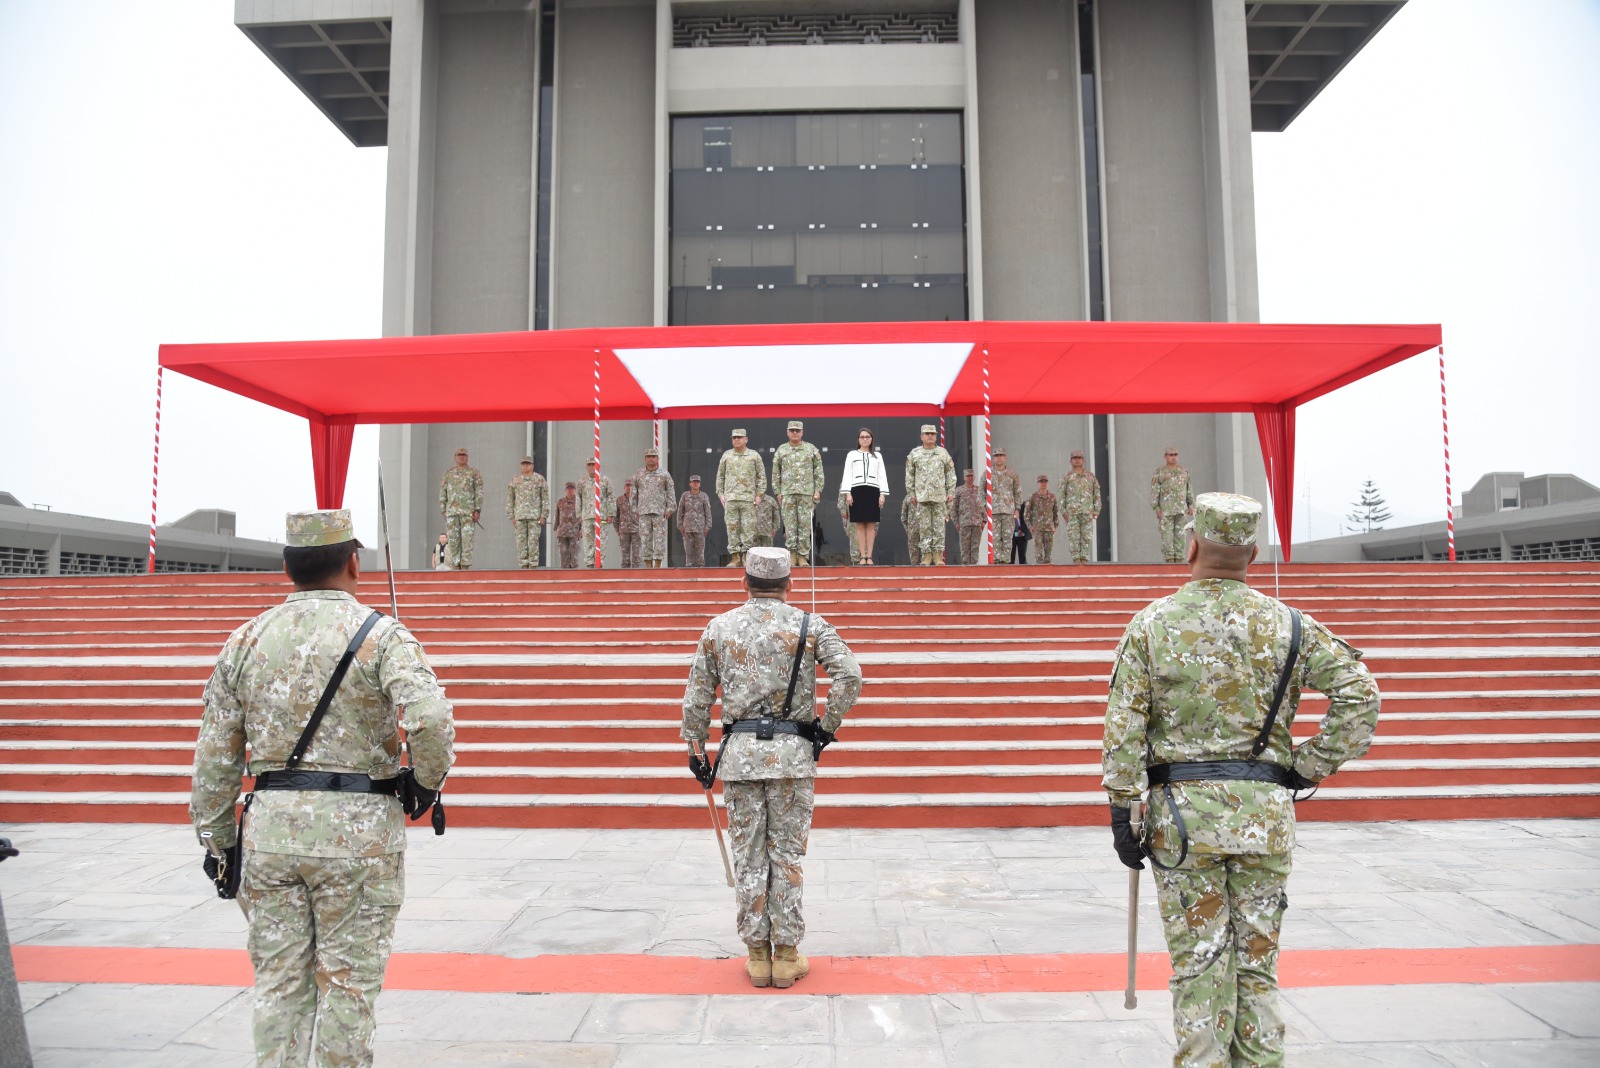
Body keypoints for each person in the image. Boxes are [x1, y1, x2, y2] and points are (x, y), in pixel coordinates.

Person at [1103, 492, 1380, 1068]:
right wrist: (1306, 765)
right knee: (1257, 963)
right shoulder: (1290, 625)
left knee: (1200, 965)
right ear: (1253, 551)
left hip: (1183, 823)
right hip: (1264, 817)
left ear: (1192, 546)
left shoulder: (1152, 625)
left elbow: (1124, 726)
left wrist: (1124, 809)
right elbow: (1361, 695)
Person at [190, 509, 455, 1066]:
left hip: (269, 834)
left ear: (288, 567)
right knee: (348, 990)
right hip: (358, 841)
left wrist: (219, 844)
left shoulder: (245, 639)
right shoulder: (382, 635)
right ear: (354, 562)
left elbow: (214, 757)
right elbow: (429, 719)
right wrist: (424, 784)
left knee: (280, 987)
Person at [680, 547, 863, 989]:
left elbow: (697, 696)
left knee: (749, 855)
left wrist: (695, 750)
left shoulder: (719, 627)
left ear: (744, 582)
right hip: (792, 756)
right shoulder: (808, 624)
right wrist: (826, 727)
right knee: (787, 856)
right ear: (788, 584)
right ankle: (786, 955)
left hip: (740, 756)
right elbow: (850, 675)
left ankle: (757, 955)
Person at [772, 420, 825, 567]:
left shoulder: (811, 449)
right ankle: (792, 555)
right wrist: (778, 492)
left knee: (804, 526)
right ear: (787, 432)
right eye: (792, 430)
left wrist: (817, 490)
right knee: (789, 526)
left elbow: (818, 471)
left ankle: (802, 556)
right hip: (788, 493)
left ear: (802, 432)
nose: (794, 433)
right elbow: (776, 472)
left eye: (797, 430)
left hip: (806, 493)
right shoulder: (781, 450)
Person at [904, 424, 956, 565]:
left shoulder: (943, 453)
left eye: (932, 434)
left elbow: (950, 474)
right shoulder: (914, 454)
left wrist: (950, 492)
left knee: (939, 527)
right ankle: (926, 555)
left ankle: (938, 555)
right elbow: (909, 476)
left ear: (936, 436)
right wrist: (911, 494)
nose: (930, 436)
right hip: (921, 497)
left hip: (939, 496)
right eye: (927, 433)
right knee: (925, 527)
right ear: (921, 436)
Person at [716, 428, 767, 567]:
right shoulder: (726, 456)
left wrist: (759, 495)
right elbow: (720, 477)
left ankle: (745, 556)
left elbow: (761, 476)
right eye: (734, 438)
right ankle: (734, 558)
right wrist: (720, 494)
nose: (736, 440)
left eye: (739, 437)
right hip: (731, 499)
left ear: (746, 439)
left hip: (748, 499)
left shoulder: (754, 456)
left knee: (748, 529)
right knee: (732, 528)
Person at [840, 427, 889, 565]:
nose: (865, 439)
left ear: (871, 439)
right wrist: (848, 493)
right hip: (857, 490)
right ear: (858, 439)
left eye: (867, 436)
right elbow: (847, 474)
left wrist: (882, 495)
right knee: (860, 525)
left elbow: (882, 475)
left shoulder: (877, 456)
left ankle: (869, 556)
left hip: (873, 491)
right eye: (862, 437)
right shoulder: (852, 454)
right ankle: (862, 556)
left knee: (871, 525)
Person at [631, 447, 677, 569]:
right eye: (649, 457)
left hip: (659, 513)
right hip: (643, 511)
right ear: (645, 459)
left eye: (653, 456)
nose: (651, 459)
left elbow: (671, 492)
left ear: (657, 458)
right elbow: (633, 493)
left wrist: (670, 509)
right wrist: (635, 509)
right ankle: (648, 565)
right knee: (645, 539)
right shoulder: (638, 474)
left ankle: (657, 565)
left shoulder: (664, 474)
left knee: (659, 539)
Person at [438, 447, 483, 570]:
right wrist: (443, 510)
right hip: (452, 513)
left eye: (464, 455)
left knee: (467, 541)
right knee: (453, 542)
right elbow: (443, 491)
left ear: (467, 457)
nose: (461, 457)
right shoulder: (449, 473)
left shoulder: (474, 473)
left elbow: (478, 492)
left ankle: (465, 567)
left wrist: (477, 510)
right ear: (455, 457)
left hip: (468, 513)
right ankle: (455, 567)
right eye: (459, 455)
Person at [1150, 446, 1195, 563]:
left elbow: (1188, 490)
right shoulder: (1160, 472)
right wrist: (1156, 508)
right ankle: (1169, 559)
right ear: (1165, 457)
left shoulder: (1184, 472)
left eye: (1175, 455)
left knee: (1181, 535)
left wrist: (1191, 505)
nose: (1173, 457)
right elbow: (1155, 491)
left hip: (1181, 509)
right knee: (1167, 536)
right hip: (1166, 509)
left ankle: (1179, 560)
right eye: (1171, 455)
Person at [506, 455, 549, 569]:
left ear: (532, 465)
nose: (525, 465)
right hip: (519, 516)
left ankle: (533, 566)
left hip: (535, 517)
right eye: (523, 464)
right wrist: (511, 516)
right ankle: (523, 566)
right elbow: (510, 498)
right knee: (521, 543)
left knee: (533, 542)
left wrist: (544, 515)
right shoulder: (515, 480)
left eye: (528, 463)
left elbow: (545, 498)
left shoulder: (539, 479)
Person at [1062, 449, 1102, 564]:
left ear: (1083, 460)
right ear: (1071, 461)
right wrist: (1064, 512)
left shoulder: (1090, 477)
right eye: (1075, 458)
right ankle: (1076, 560)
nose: (1077, 460)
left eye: (1079, 458)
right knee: (1074, 537)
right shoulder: (1067, 477)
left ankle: (1084, 560)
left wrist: (1096, 510)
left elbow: (1096, 493)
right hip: (1072, 512)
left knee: (1086, 537)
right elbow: (1061, 494)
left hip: (1087, 511)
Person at [578, 459, 617, 568]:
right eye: (589, 465)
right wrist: (579, 514)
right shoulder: (582, 482)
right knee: (587, 541)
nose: (592, 467)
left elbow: (611, 497)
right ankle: (589, 564)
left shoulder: (605, 481)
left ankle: (599, 563)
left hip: (601, 515)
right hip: (587, 516)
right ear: (586, 467)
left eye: (594, 465)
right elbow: (578, 498)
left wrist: (611, 513)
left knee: (601, 541)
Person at [989, 448, 1023, 565]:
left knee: (1007, 537)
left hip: (1008, 511)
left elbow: (1017, 492)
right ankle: (997, 560)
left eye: (1001, 455)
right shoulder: (988, 474)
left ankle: (1006, 561)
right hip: (993, 511)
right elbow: (981, 493)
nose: (999, 458)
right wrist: (984, 508)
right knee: (995, 538)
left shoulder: (1012, 474)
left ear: (1005, 457)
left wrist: (1017, 509)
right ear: (993, 458)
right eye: (996, 455)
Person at [678, 475, 713, 567]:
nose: (695, 484)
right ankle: (689, 573)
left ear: (700, 484)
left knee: (700, 553)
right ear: (690, 484)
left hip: (700, 528)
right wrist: (680, 525)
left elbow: (708, 512)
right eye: (693, 482)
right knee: (688, 553)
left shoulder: (704, 496)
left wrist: (707, 526)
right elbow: (680, 511)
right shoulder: (685, 495)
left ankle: (700, 572)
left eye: (697, 482)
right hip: (687, 528)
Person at [953, 469, 985, 565]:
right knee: (965, 548)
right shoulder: (959, 491)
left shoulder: (979, 490)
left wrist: (984, 521)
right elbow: (954, 507)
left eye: (971, 476)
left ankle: (974, 567)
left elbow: (984, 506)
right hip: (964, 523)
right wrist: (956, 522)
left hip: (977, 523)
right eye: (967, 476)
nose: (969, 478)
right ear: (964, 477)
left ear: (974, 477)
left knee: (975, 548)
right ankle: (965, 569)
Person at [1025, 476, 1058, 564]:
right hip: (1037, 529)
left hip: (1049, 529)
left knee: (1048, 555)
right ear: (1038, 483)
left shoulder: (1052, 497)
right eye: (1041, 482)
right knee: (1038, 554)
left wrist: (1055, 527)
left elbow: (1055, 513)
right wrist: (1030, 526)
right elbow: (1026, 514)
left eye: (1045, 482)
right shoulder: (1032, 497)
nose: (1043, 484)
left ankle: (1048, 575)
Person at [554, 482, 581, 568]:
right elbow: (557, 516)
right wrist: (556, 528)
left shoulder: (579, 502)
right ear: (565, 490)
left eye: (572, 489)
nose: (570, 491)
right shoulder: (560, 502)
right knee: (563, 555)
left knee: (574, 556)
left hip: (574, 532)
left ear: (575, 490)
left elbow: (582, 517)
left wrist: (581, 530)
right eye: (568, 489)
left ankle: (574, 576)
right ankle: (564, 575)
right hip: (562, 532)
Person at [617, 478, 641, 569]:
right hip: (624, 531)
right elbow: (616, 516)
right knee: (625, 557)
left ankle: (636, 578)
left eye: (631, 486)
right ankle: (625, 577)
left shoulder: (638, 499)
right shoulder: (619, 500)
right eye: (627, 486)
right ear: (624, 487)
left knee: (636, 557)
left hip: (636, 530)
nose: (629, 488)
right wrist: (618, 529)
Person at [836, 491, 860, 565]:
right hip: (851, 513)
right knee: (854, 535)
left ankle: (865, 559)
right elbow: (841, 502)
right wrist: (844, 515)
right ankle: (856, 561)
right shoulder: (847, 480)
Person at [900, 492, 922, 565]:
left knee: (925, 557)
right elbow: (903, 517)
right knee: (915, 557)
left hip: (924, 531)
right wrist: (908, 529)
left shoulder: (927, 496)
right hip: (913, 531)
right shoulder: (908, 497)